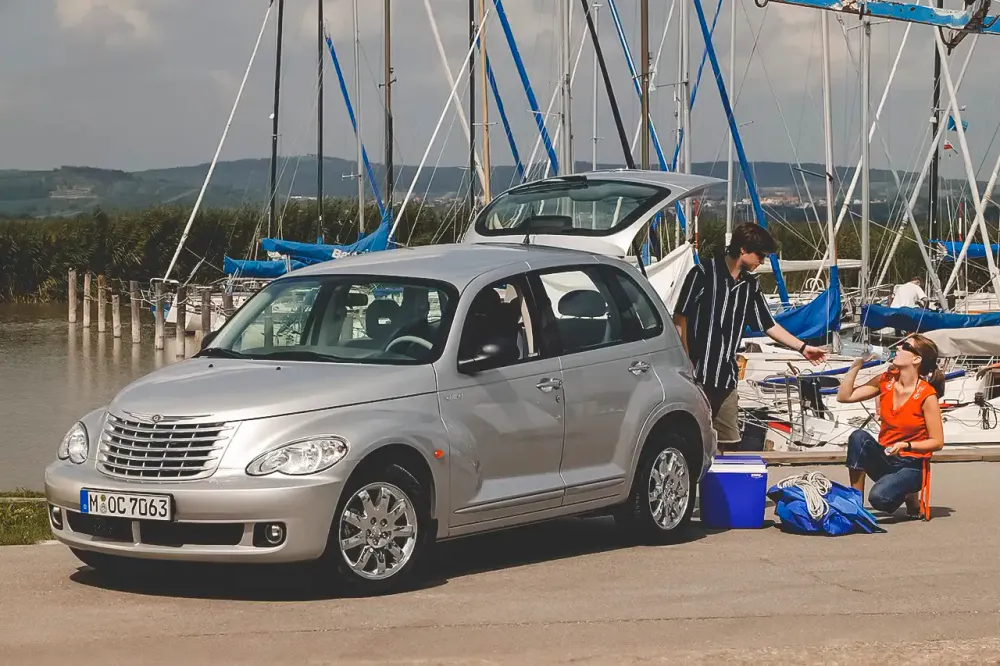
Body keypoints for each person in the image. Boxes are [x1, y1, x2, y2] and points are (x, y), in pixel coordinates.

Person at [672, 223, 828, 452]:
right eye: (760, 255)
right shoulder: (703, 274)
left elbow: (767, 324)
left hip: (725, 378)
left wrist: (803, 348)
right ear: (743, 249)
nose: (762, 262)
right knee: (693, 442)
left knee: (729, 443)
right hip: (697, 374)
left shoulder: (750, 285)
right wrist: (686, 362)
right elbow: (680, 318)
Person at [836, 334, 945, 517]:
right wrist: (857, 365)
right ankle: (855, 505)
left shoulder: (927, 395)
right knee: (858, 437)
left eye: (906, 346)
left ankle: (910, 494)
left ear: (916, 359)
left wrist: (906, 445)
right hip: (887, 456)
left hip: (912, 464)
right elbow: (844, 397)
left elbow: (937, 442)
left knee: (879, 499)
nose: (899, 347)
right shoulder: (886, 381)